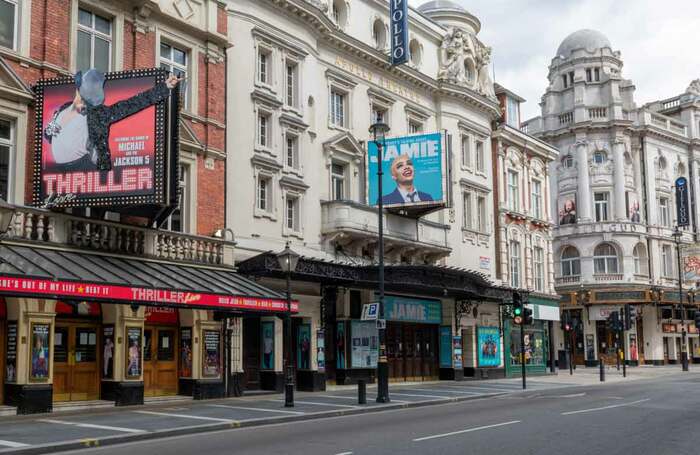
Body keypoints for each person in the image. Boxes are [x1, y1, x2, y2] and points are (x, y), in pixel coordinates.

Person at [43, 69, 181, 172]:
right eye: (82, 95)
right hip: (57, 172)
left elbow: (132, 104)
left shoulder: (99, 114)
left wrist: (164, 87)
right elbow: (50, 135)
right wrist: (50, 130)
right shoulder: (63, 109)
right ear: (78, 90)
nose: (84, 101)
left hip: (81, 169)